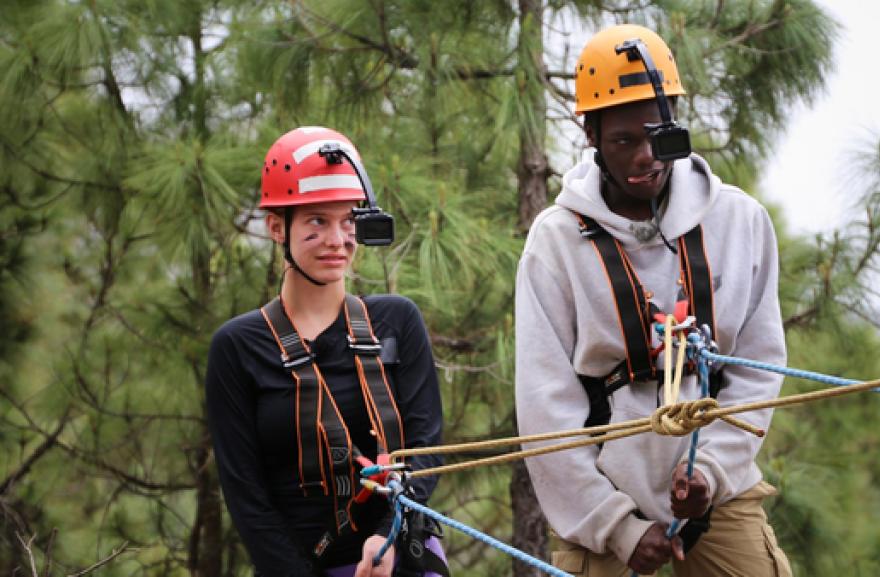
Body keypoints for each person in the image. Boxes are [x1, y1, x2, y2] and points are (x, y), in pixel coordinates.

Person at [515, 24, 791, 577]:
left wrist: (709, 472)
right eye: (623, 141)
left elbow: (760, 367)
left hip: (718, 487)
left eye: (659, 136)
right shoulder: (557, 241)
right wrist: (615, 525)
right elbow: (546, 404)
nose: (646, 157)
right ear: (589, 132)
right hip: (599, 492)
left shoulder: (739, 222)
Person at [206, 127, 447, 577]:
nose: (338, 239)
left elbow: (425, 447)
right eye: (317, 221)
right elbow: (245, 495)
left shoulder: (396, 322)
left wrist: (388, 533)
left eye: (349, 220)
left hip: (399, 556)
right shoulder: (239, 348)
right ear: (277, 226)